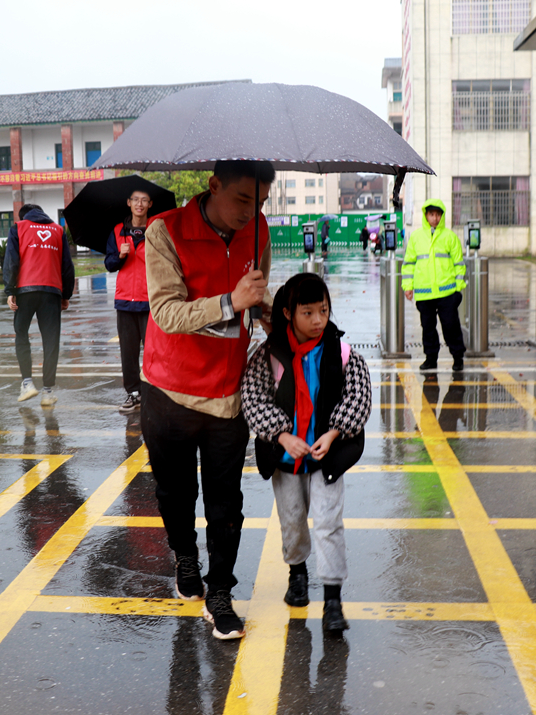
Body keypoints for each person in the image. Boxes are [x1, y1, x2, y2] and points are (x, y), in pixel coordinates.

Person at [141, 159, 275, 640]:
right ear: (213, 185)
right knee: (174, 494)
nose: (251, 212)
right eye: (242, 199)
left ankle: (220, 592)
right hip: (169, 390)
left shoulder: (258, 231)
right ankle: (185, 556)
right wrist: (230, 301)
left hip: (227, 395)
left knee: (226, 502)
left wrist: (269, 313)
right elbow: (166, 312)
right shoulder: (165, 232)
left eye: (259, 202)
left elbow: (255, 304)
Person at [241, 273, 371, 632]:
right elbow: (252, 398)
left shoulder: (342, 354)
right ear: (287, 313)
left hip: (326, 457)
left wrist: (333, 434)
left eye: (324, 311)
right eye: (308, 313)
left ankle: (332, 599)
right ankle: (296, 574)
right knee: (293, 520)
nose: (318, 321)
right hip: (285, 460)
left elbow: (359, 397)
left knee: (329, 523)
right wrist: (282, 436)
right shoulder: (268, 356)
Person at [4, 203, 75, 406]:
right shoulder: (57, 230)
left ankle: (27, 384)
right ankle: (48, 392)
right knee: (51, 342)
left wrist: (10, 290)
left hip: (25, 291)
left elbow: (12, 261)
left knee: (21, 335)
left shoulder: (19, 227)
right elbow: (67, 266)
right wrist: (66, 294)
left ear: (24, 216)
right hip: (51, 291)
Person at [401, 199, 466, 371]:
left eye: (438, 214)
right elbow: (408, 264)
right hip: (424, 293)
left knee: (451, 327)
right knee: (428, 329)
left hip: (447, 293)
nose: (435, 218)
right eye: (431, 214)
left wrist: (458, 289)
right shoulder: (416, 237)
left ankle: (458, 357)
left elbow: (459, 264)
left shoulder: (449, 237)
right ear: (426, 215)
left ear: (442, 216)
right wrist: (408, 286)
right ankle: (431, 359)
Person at [104, 189, 152, 413]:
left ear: (150, 204)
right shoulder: (117, 231)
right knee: (128, 352)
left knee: (154, 350)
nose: (139, 204)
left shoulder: (157, 229)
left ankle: (153, 392)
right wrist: (120, 256)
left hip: (150, 300)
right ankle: (133, 393)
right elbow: (109, 264)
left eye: (144, 200)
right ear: (128, 203)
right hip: (124, 300)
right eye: (135, 200)